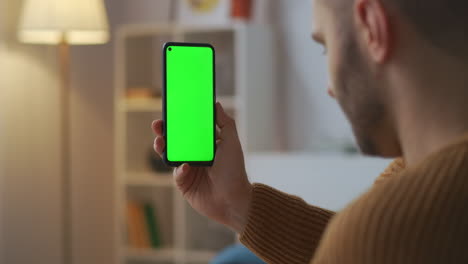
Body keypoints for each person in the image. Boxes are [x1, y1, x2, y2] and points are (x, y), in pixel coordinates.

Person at [152, 0, 468, 262]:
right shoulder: (408, 185)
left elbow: (367, 246)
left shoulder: (382, 232)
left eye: (325, 46)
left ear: (372, 26)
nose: (330, 88)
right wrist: (237, 203)